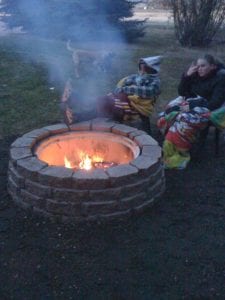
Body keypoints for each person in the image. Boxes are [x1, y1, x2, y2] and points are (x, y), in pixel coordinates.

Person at [60, 56, 162, 134]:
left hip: (136, 106)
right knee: (103, 102)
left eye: (146, 68)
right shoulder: (137, 77)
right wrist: (123, 87)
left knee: (103, 102)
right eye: (142, 67)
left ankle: (76, 98)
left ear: (152, 69)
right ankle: (76, 116)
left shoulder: (155, 81)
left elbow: (148, 91)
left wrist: (126, 89)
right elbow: (125, 81)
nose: (143, 70)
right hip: (125, 99)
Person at [157, 54, 225, 169]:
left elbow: (215, 103)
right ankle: (169, 142)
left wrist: (190, 106)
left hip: (209, 108)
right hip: (192, 102)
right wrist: (187, 76)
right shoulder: (195, 75)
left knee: (183, 118)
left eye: (203, 66)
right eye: (198, 66)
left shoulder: (220, 78)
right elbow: (182, 92)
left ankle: (179, 152)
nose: (199, 69)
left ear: (212, 66)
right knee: (169, 110)